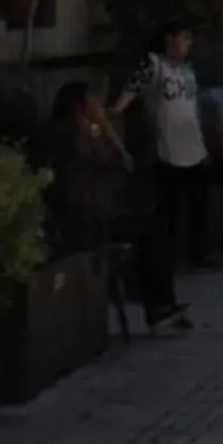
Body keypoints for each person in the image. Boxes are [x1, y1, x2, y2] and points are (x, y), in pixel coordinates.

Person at [113, 21, 208, 326]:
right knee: (164, 228)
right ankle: (160, 298)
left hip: (193, 151)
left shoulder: (188, 70)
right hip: (167, 156)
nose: (187, 44)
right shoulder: (154, 65)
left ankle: (166, 296)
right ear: (169, 38)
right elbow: (128, 95)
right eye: (183, 38)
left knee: (179, 227)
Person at [47, 81, 138, 329]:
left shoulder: (87, 134)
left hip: (100, 206)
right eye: (93, 101)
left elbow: (124, 162)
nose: (99, 106)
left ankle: (158, 302)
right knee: (146, 228)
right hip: (85, 215)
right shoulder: (73, 136)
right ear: (80, 106)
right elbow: (119, 163)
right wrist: (106, 128)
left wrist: (106, 127)